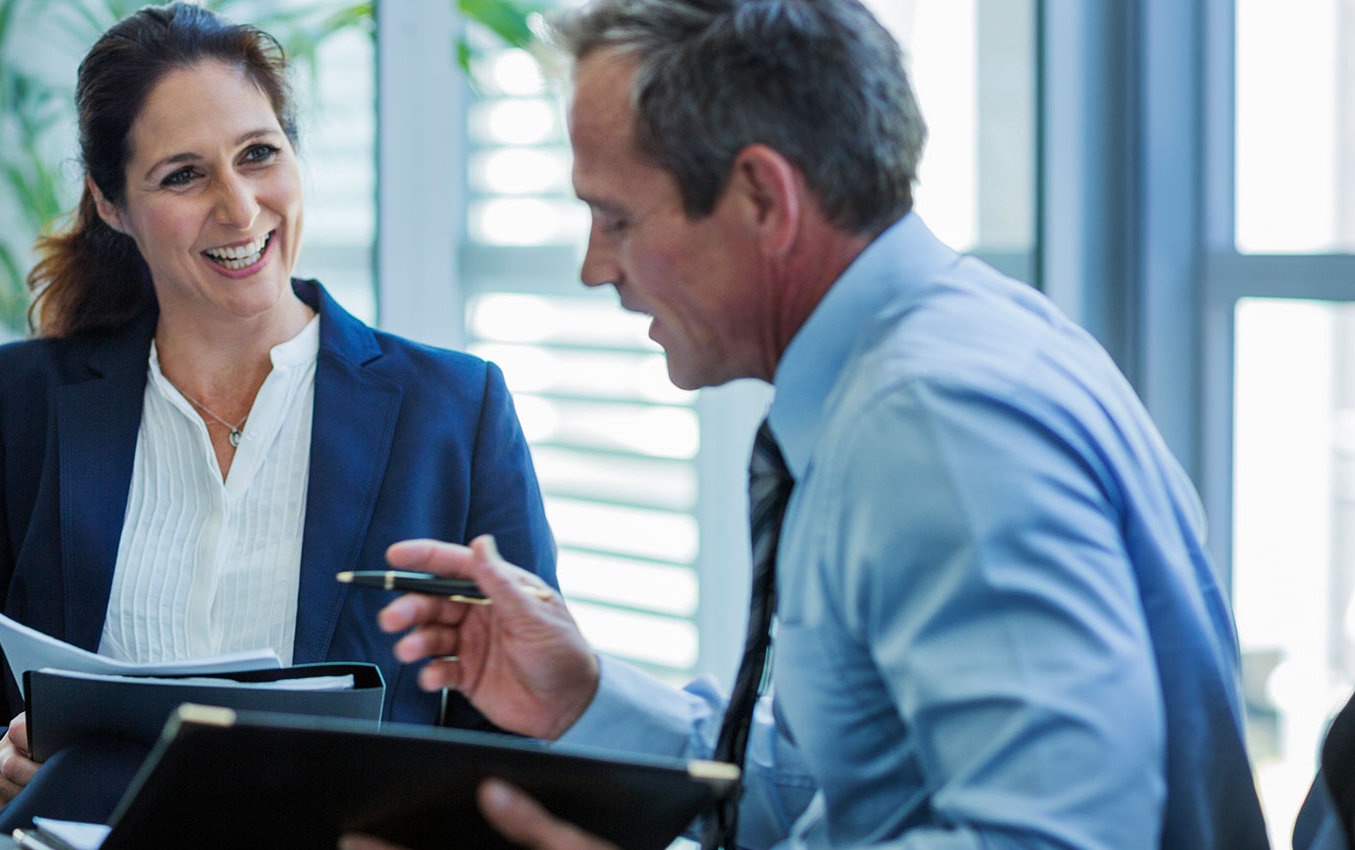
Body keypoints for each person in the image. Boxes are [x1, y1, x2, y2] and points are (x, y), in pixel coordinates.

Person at [350, 1, 1269, 848]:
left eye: (617, 218)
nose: (598, 268)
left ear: (761, 197)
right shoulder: (918, 363)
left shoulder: (932, 426)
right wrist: (588, 697)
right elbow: (841, 796)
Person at [0, 2, 556, 829]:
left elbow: (523, 745)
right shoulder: (16, 403)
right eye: (183, 175)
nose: (239, 210)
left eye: (258, 154)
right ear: (111, 202)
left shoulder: (455, 411)